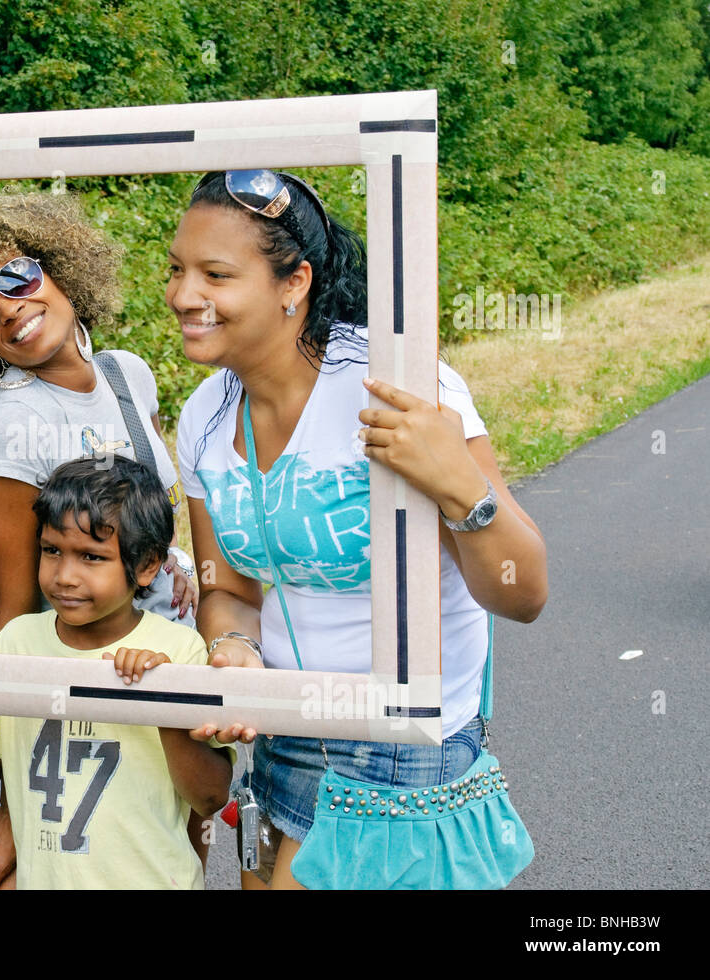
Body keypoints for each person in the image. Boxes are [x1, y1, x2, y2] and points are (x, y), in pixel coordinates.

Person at [168, 170, 549, 889]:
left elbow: (523, 592)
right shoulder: (204, 419)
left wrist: (458, 484)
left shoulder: (389, 385)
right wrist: (233, 649)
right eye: (178, 270)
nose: (184, 295)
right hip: (282, 735)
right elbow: (229, 586)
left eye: (215, 274)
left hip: (397, 746)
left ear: (294, 283)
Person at [0, 190, 200, 887]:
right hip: (86, 715)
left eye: (16, 277)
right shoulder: (7, 430)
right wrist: (7, 804)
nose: (8, 308)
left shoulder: (128, 374)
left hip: (167, 681)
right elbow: (19, 617)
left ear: (57, 268)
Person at [0, 456, 232, 889]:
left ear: (147, 565)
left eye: (91, 557)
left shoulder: (178, 650)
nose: (64, 576)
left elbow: (209, 797)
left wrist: (163, 704)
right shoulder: (18, 643)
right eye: (51, 550)